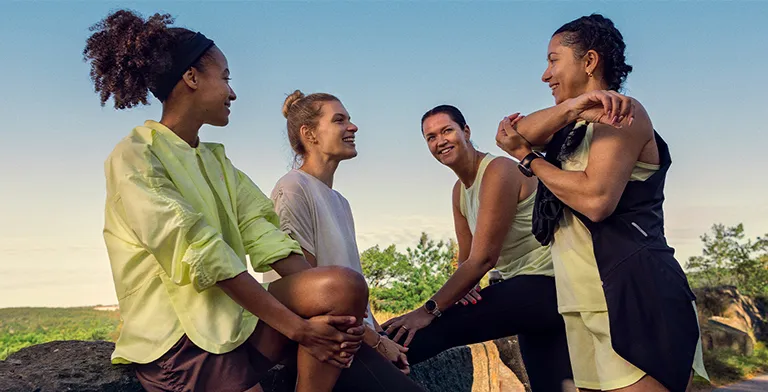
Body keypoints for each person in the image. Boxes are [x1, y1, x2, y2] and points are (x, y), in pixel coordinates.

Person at [86, 10, 405, 392]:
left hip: (236, 325)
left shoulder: (217, 162)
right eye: (225, 78)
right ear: (191, 77)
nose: (232, 93)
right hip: (181, 344)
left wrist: (332, 303)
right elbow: (201, 252)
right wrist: (299, 328)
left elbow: (267, 236)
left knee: (343, 286)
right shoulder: (136, 156)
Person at [494, 13, 708, 392]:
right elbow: (511, 133)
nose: (545, 75)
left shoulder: (624, 114)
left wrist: (529, 160)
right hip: (580, 302)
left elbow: (596, 199)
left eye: (553, 60)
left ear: (590, 61)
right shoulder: (571, 125)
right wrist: (573, 108)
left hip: (633, 297)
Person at [382, 105, 574, 392]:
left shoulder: (499, 170)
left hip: (548, 284)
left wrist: (428, 309)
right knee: (550, 386)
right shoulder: (459, 191)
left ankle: (361, 362)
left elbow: (483, 259)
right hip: (522, 291)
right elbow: (467, 259)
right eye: (431, 137)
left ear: (466, 131)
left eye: (447, 131)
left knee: (439, 325)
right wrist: (466, 285)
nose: (440, 141)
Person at [270, 90, 425, 390]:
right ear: (309, 134)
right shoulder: (293, 188)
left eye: (349, 120)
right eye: (339, 120)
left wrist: (381, 335)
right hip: (324, 344)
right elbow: (310, 293)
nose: (353, 127)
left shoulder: (341, 202)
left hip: (353, 337)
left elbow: (355, 290)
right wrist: (376, 342)